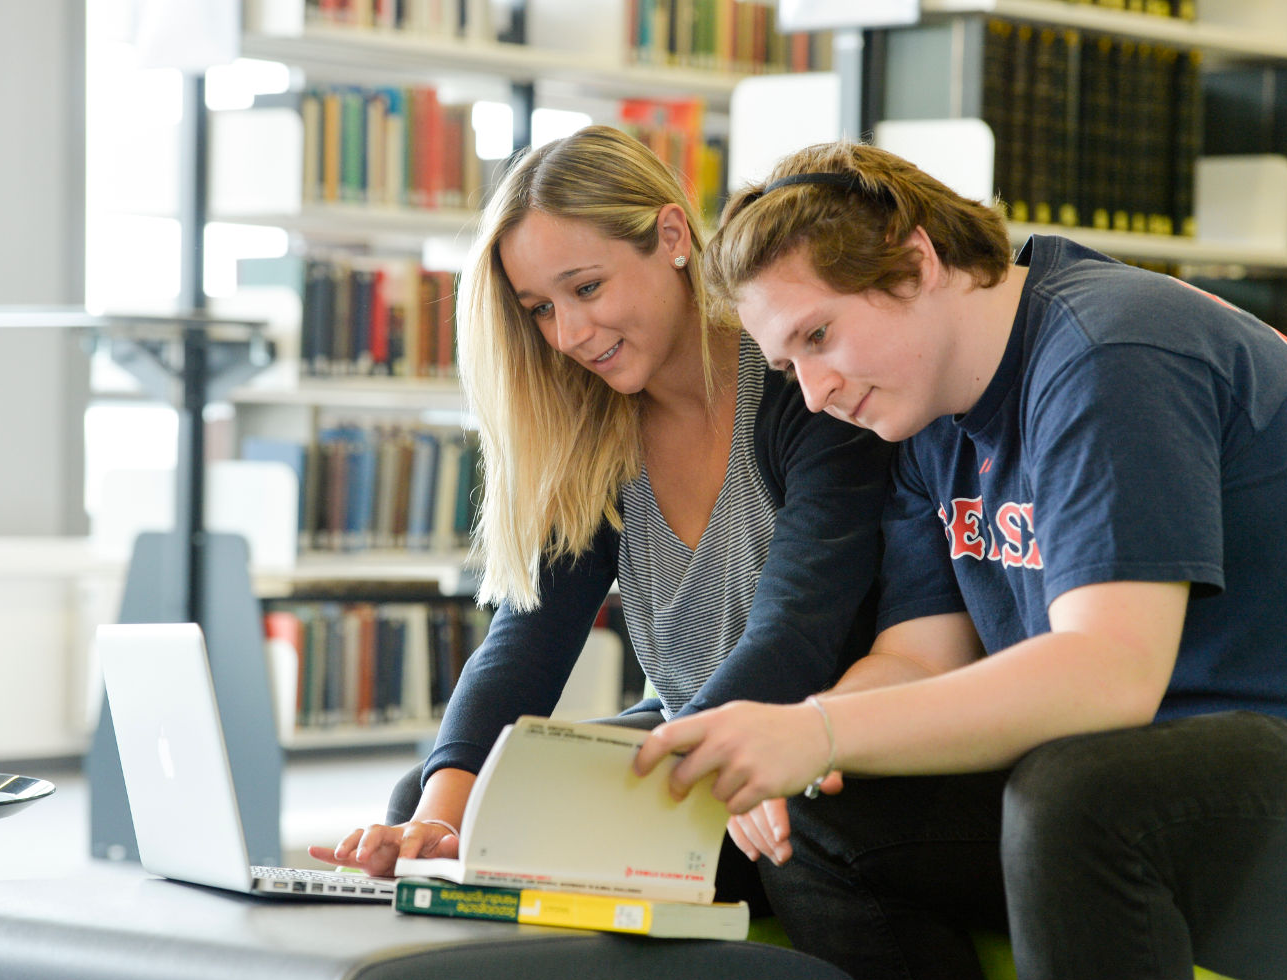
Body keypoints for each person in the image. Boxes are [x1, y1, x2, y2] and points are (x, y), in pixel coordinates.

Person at [634, 139, 1287, 980]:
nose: (815, 392)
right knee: (823, 817)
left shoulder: (1108, 350)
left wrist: (817, 730)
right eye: (788, 366)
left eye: (819, 336)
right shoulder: (921, 410)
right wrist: (795, 743)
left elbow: (1109, 673)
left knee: (1080, 793)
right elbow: (917, 656)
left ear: (914, 260)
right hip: (1164, 801)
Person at [308, 126, 890, 901]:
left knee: (526, 820)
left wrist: (649, 780)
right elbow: (529, 638)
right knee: (430, 793)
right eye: (539, 309)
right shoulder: (597, 432)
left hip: (810, 741)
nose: (570, 336)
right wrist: (440, 821)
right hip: (687, 736)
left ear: (671, 235)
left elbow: (793, 633)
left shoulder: (799, 387)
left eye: (586, 289)